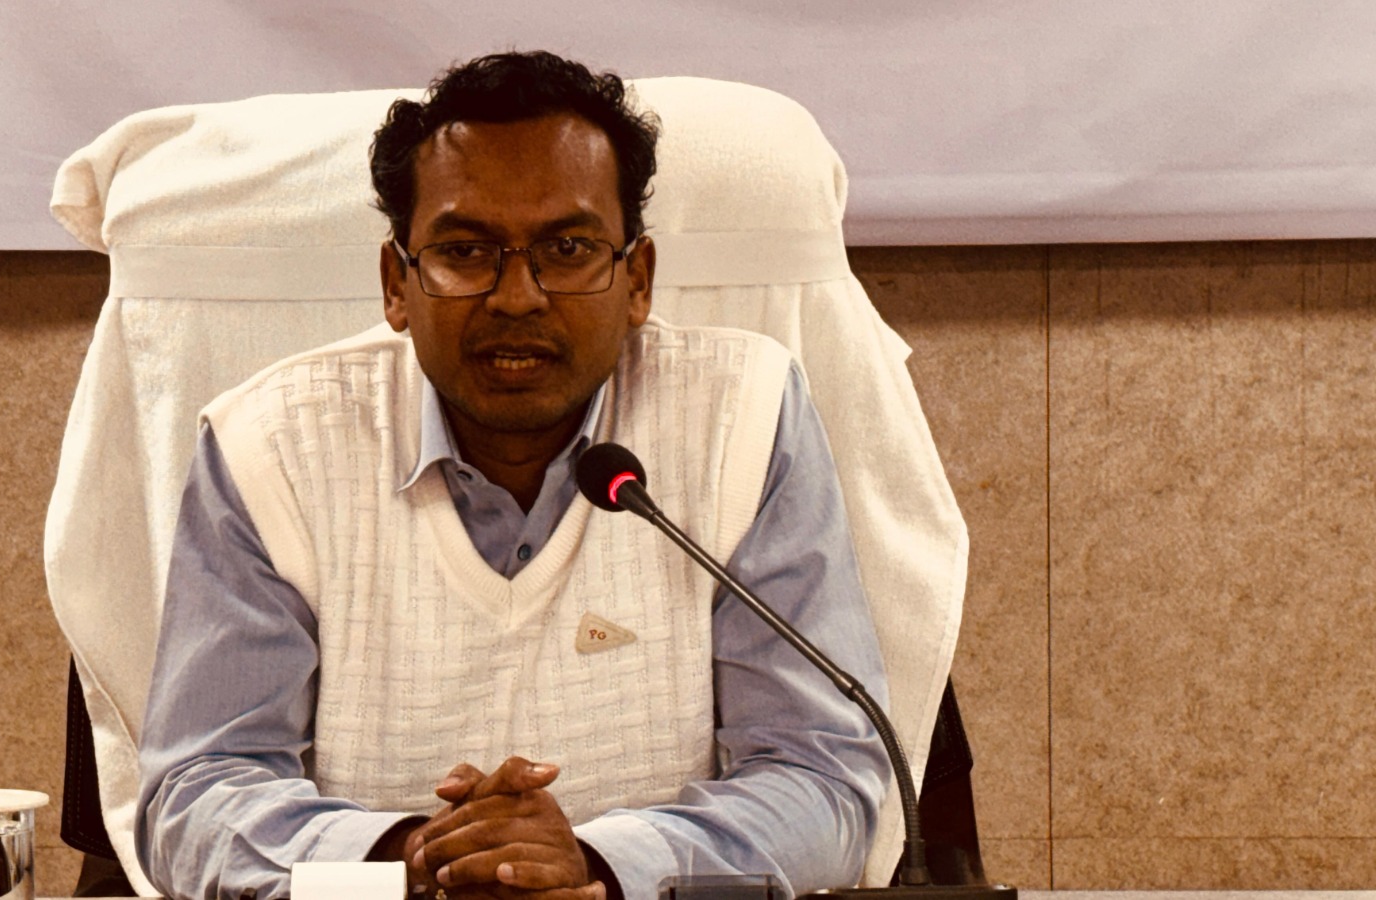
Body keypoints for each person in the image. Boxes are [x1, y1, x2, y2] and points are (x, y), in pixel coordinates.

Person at [136, 50, 890, 900]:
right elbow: (195, 796)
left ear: (638, 280)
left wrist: (600, 867)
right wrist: (408, 861)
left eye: (568, 248)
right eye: (465, 250)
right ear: (396, 283)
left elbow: (824, 779)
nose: (518, 296)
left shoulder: (744, 417)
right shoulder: (270, 446)